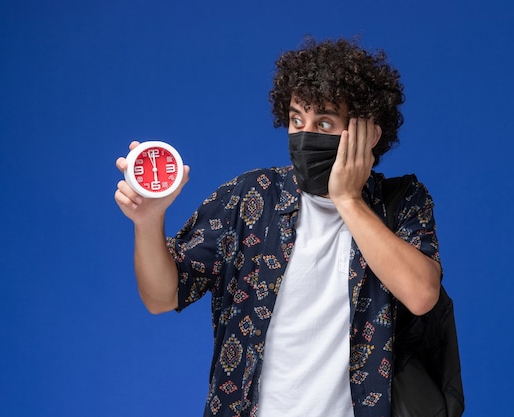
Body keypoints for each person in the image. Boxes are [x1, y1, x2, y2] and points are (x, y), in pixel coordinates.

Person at [115, 38, 442, 417]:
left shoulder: (402, 201)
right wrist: (148, 221)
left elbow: (421, 294)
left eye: (323, 122)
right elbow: (162, 297)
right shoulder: (251, 198)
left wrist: (349, 200)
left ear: (367, 132)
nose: (304, 134)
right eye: (295, 119)